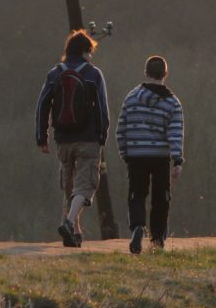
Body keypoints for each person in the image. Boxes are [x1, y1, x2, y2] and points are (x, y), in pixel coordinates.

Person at [36, 29, 109, 247]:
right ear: (86, 51)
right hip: (88, 138)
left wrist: (42, 136)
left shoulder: (54, 73)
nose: (91, 57)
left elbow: (42, 105)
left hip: (63, 139)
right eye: (91, 52)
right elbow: (103, 109)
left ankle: (75, 232)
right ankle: (69, 223)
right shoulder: (94, 74)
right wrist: (101, 136)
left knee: (69, 186)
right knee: (85, 186)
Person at [116, 56, 184, 254]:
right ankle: (157, 239)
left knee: (136, 194)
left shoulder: (131, 97)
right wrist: (177, 159)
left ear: (146, 72)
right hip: (161, 157)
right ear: (165, 74)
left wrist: (125, 152)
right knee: (161, 198)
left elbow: (121, 128)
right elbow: (175, 133)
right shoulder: (173, 102)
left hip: (137, 155)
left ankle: (138, 226)